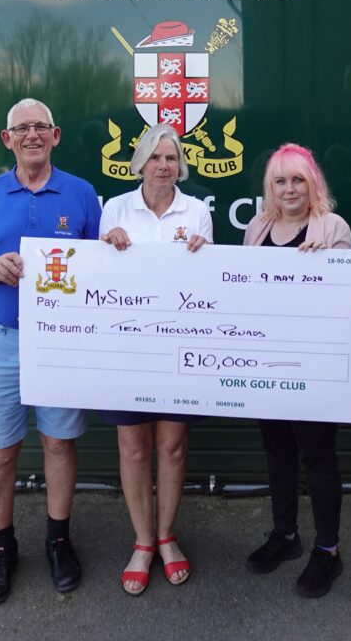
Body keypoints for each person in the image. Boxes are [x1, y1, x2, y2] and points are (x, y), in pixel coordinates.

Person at [0, 98, 102, 606]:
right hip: (1, 340)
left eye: (41, 127)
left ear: (56, 136)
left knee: (59, 442)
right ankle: (2, 549)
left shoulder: (82, 195)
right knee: (1, 450)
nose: (32, 135)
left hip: (61, 340)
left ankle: (58, 540)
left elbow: (103, 270)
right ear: (7, 138)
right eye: (23, 128)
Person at [99, 123, 212, 595]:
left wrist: (207, 255)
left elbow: (209, 282)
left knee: (171, 446)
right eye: (155, 157)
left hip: (178, 346)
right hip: (127, 347)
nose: (164, 165)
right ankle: (142, 542)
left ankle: (167, 536)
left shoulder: (199, 211)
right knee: (133, 448)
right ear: (140, 162)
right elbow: (99, 276)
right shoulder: (114, 209)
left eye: (171, 158)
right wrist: (108, 243)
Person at [243, 143, 351, 598]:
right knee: (278, 452)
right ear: (270, 188)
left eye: (298, 180)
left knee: (318, 458)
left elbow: (349, 298)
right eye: (280, 181)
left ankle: (328, 550)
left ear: (314, 185)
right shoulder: (257, 227)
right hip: (267, 361)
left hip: (314, 366)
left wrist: (324, 263)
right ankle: (286, 535)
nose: (290, 189)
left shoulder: (332, 227)